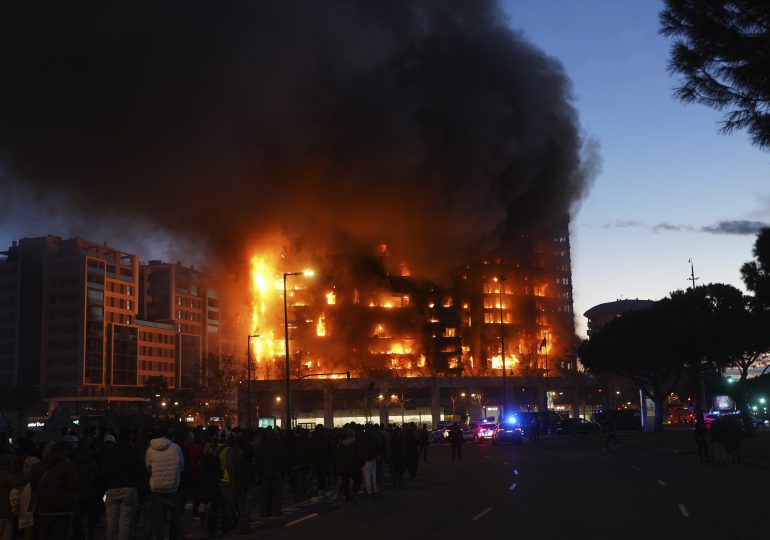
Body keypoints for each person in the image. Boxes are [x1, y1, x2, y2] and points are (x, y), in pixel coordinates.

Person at [29, 441, 79, 540]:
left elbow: (33, 487)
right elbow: (74, 486)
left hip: (42, 509)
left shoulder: (36, 467)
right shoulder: (65, 466)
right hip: (61, 510)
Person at [101, 427, 143, 540]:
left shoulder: (110, 453)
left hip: (112, 488)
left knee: (112, 523)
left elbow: (104, 471)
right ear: (130, 437)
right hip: (129, 488)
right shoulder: (133, 452)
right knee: (125, 523)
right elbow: (139, 471)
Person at [145, 428, 184, 540]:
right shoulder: (176, 448)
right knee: (177, 518)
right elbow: (181, 466)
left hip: (156, 489)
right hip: (172, 488)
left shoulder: (150, 450)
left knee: (158, 520)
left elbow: (148, 468)